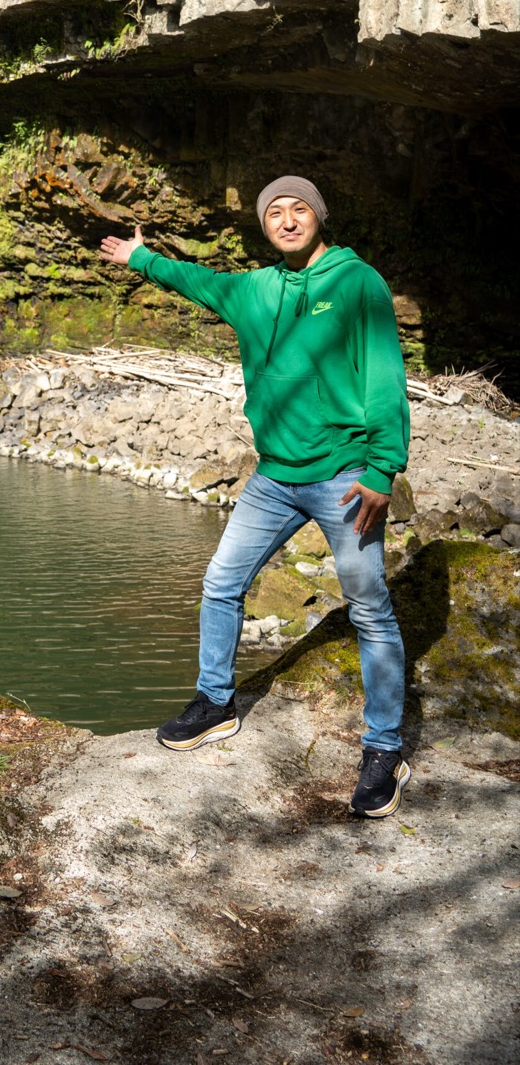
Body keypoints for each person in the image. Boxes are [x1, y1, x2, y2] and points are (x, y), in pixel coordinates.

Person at [100, 176, 411, 818]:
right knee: (220, 582)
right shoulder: (254, 290)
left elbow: (385, 373)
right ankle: (215, 703)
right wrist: (141, 259)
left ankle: (385, 749)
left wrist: (384, 467)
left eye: (300, 208)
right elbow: (197, 281)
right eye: (275, 210)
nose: (288, 218)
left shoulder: (358, 283)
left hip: (344, 476)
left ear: (320, 218)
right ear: (263, 225)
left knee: (370, 609)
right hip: (274, 476)